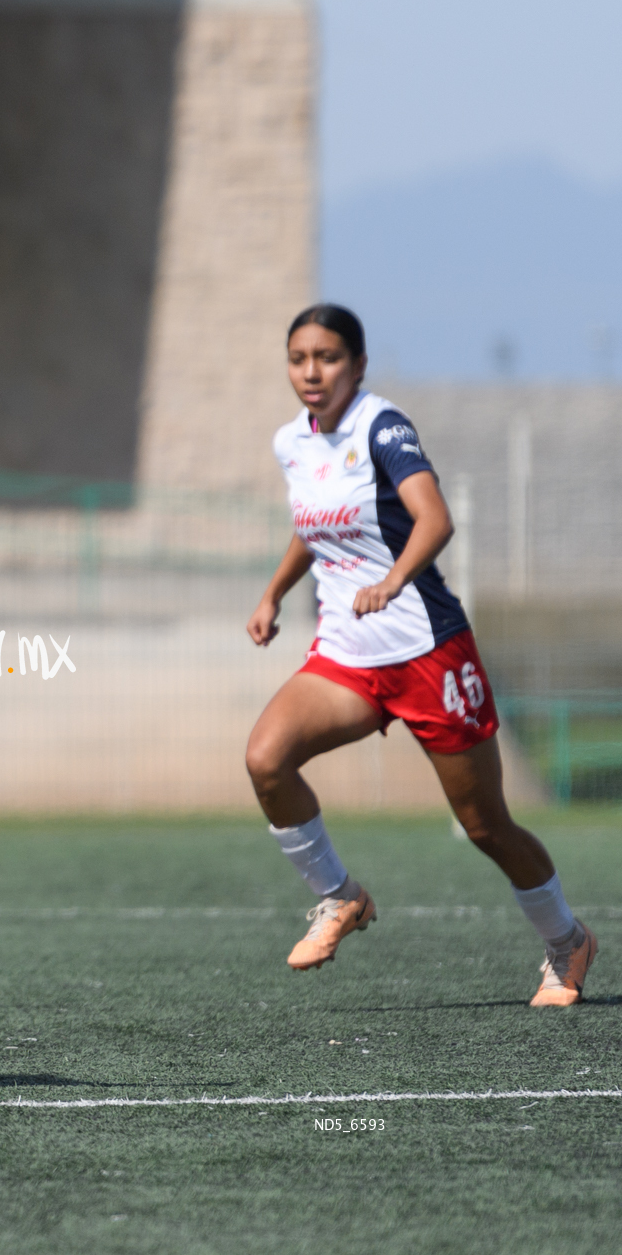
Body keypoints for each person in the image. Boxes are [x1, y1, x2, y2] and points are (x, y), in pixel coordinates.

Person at [245, 303, 596, 1006]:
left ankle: (567, 941)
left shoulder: (383, 425)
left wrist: (393, 579)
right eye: (299, 358)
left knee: (484, 825)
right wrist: (274, 593)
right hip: (347, 653)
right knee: (266, 757)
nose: (311, 372)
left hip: (426, 650)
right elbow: (312, 526)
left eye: (328, 357)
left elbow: (435, 518)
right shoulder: (293, 442)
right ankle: (341, 897)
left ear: (359, 364)